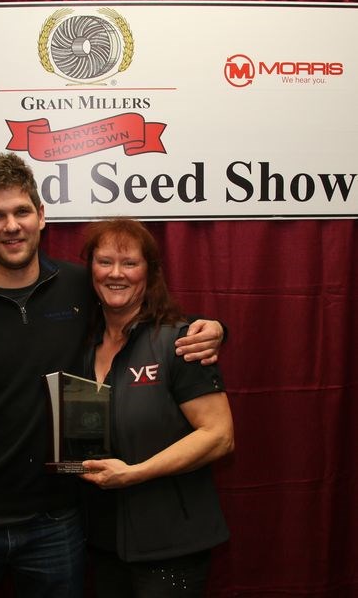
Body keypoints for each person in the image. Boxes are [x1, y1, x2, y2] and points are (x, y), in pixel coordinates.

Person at [0, 153, 225, 597]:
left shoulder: (80, 286)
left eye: (21, 211)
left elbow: (142, 309)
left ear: (41, 216)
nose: (11, 226)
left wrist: (215, 328)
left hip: (58, 522)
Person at [79, 218, 234, 598]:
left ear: (149, 272)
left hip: (171, 547)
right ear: (90, 269)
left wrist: (135, 473)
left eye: (130, 262)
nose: (116, 273)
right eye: (105, 261)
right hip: (102, 543)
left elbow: (219, 437)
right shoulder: (82, 346)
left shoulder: (181, 342)